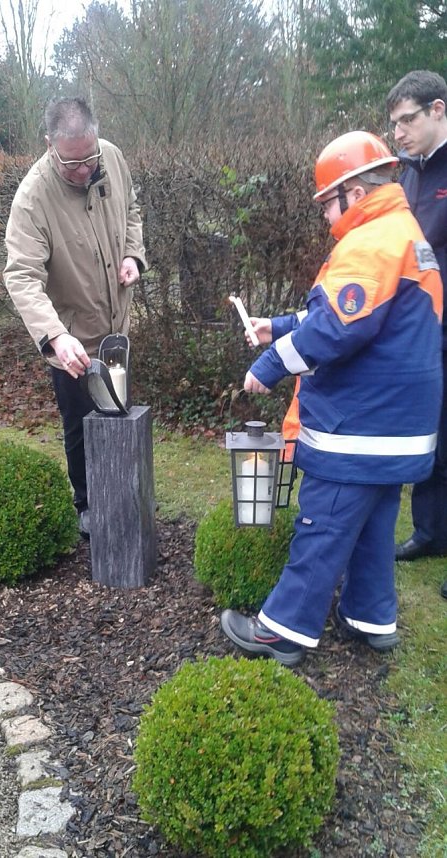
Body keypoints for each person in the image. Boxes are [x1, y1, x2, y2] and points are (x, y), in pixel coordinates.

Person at [221, 131, 443, 666]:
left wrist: (268, 366)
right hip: (398, 427)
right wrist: (277, 326)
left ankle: (283, 630)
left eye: (327, 202)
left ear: (355, 192)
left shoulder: (370, 242)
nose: (325, 214)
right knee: (373, 527)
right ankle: (371, 617)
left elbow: (336, 329)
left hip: (358, 424)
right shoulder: (403, 233)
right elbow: (350, 312)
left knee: (322, 525)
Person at [3, 98, 147, 537]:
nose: (85, 170)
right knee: (81, 427)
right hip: (72, 343)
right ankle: (87, 504)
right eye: (72, 163)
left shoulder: (112, 158)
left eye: (90, 158)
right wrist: (54, 336)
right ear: (49, 145)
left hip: (116, 332)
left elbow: (132, 211)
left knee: (121, 414)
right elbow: (21, 276)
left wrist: (132, 254)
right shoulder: (33, 199)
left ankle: (124, 496)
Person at [385, 70, 447, 566]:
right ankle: (430, 531)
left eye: (407, 120)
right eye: (394, 124)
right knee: (433, 434)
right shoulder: (407, 173)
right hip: (423, 330)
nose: (398, 132)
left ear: (438, 110)